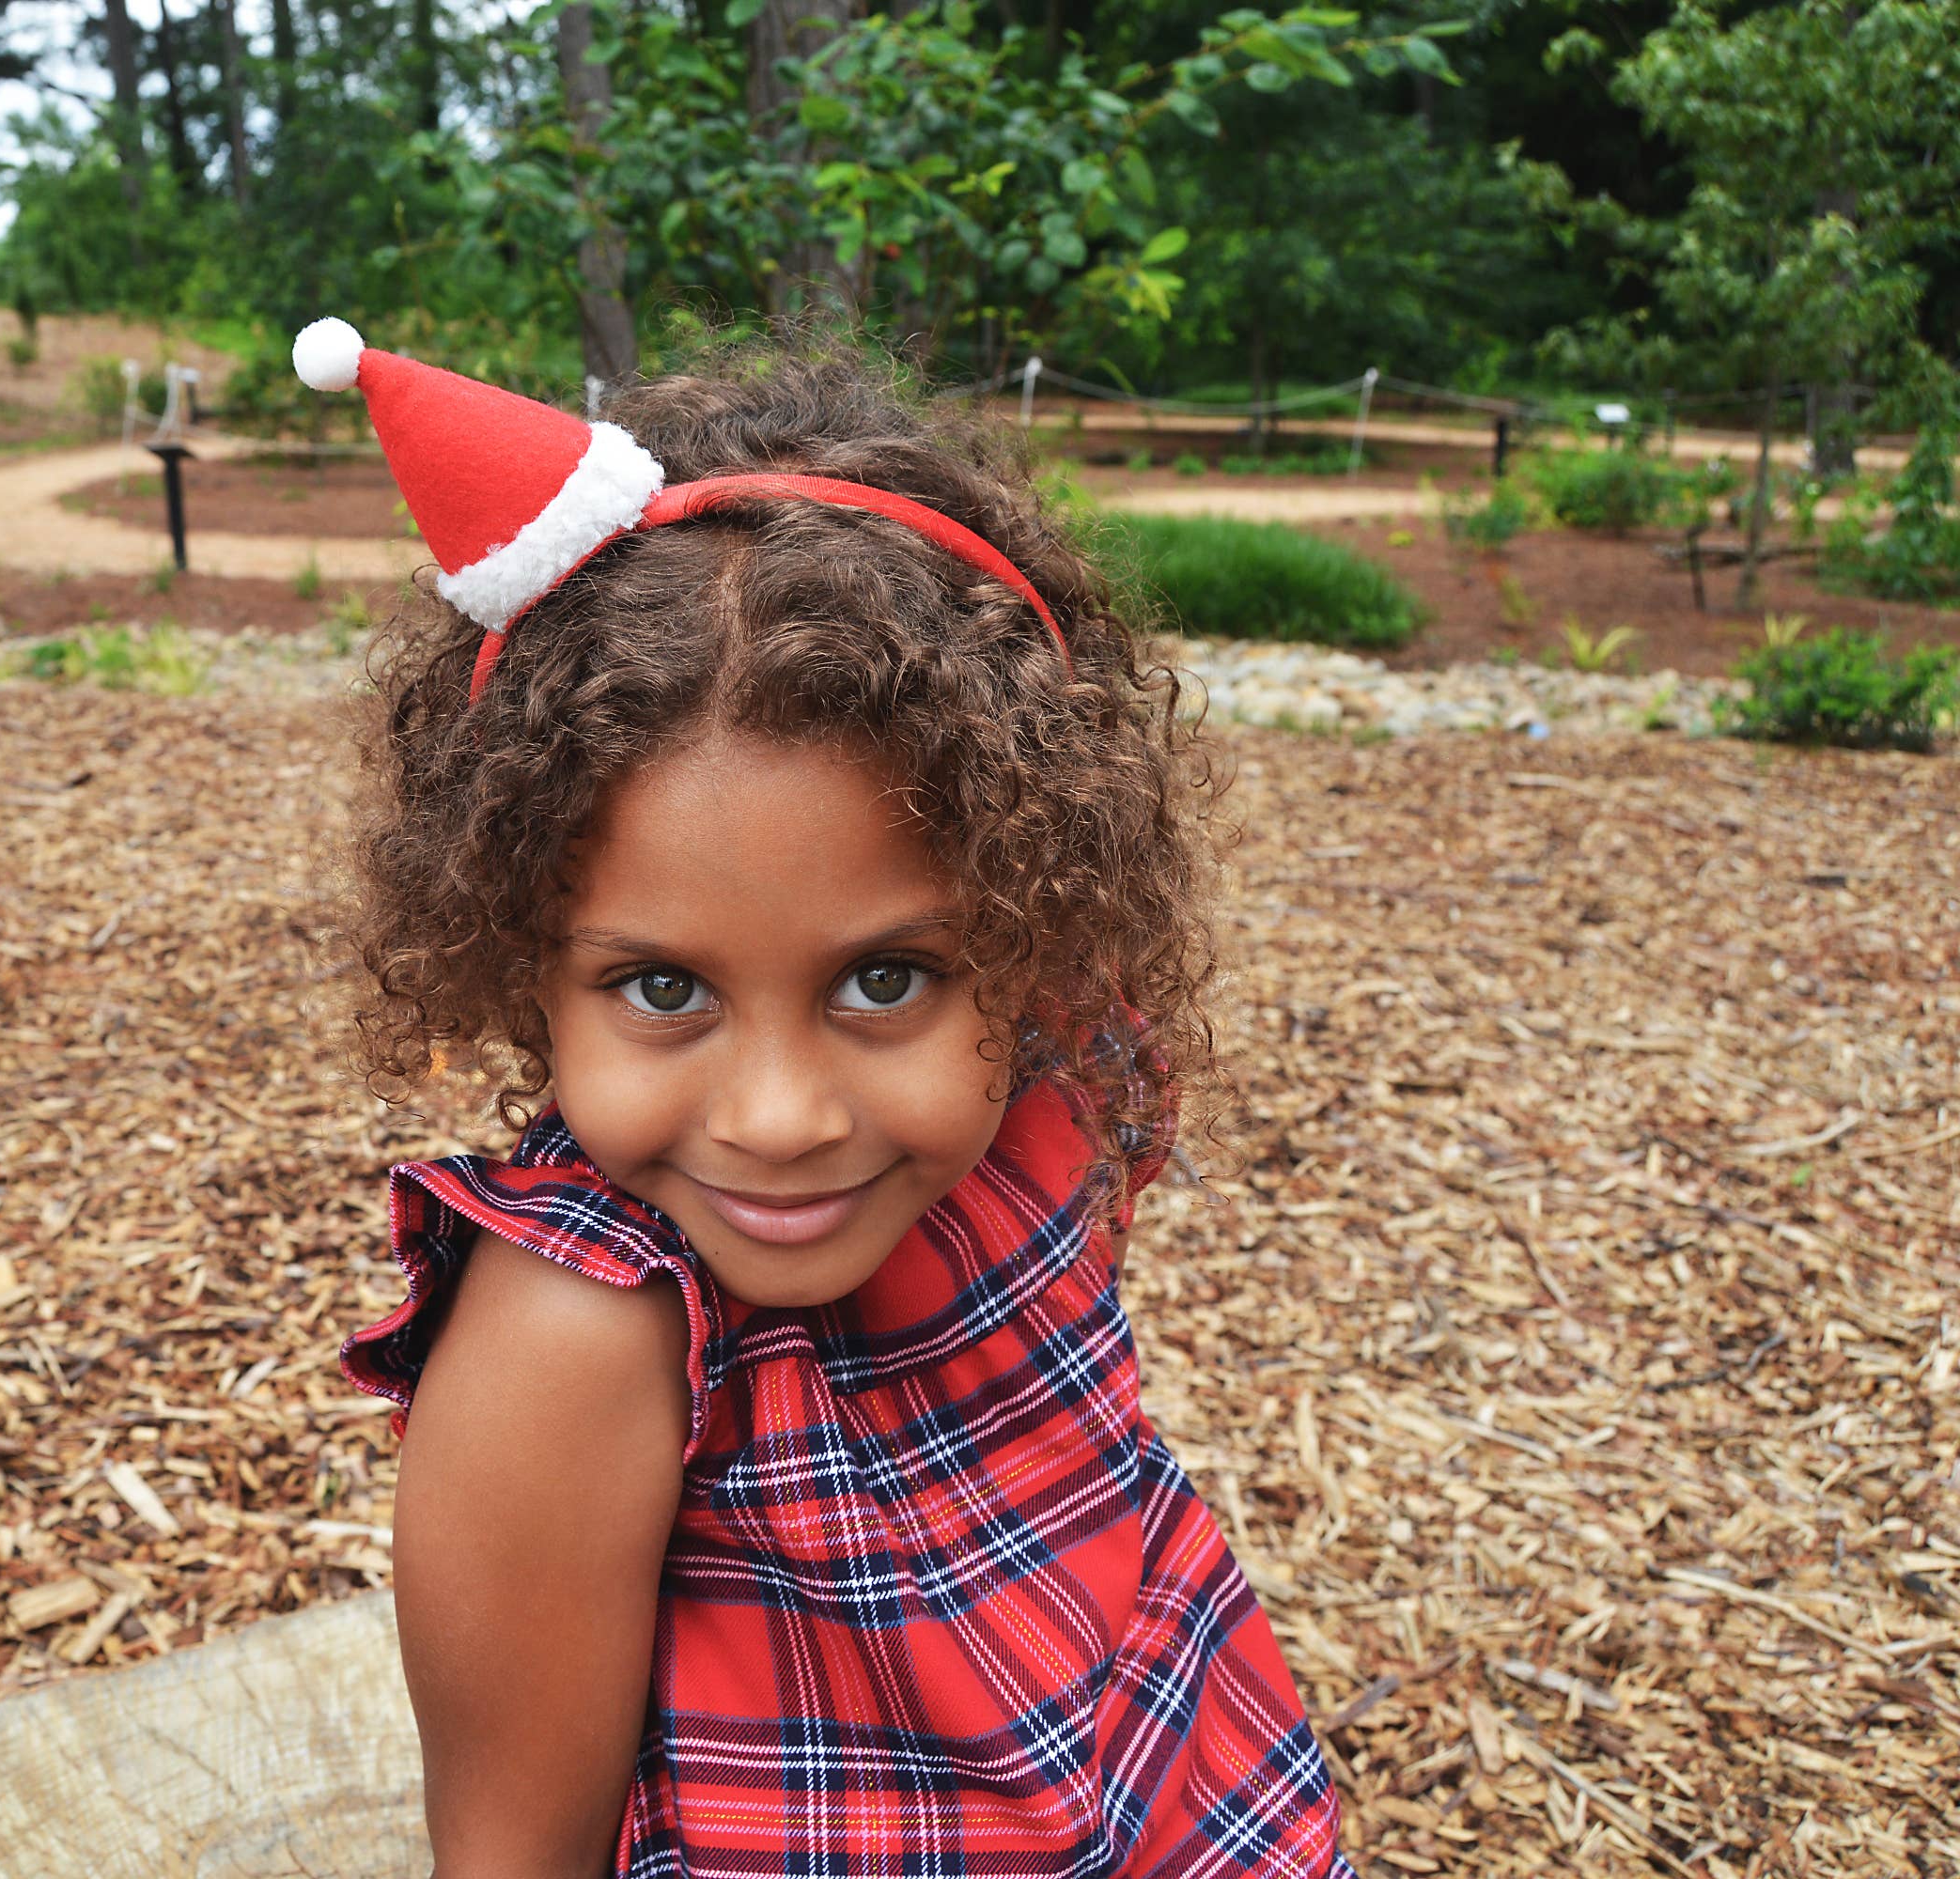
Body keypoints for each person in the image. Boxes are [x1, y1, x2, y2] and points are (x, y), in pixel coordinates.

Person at [294, 316, 1351, 1878]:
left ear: (1032, 924)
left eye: (884, 980)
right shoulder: (579, 1341)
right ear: (526, 962)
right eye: (663, 990)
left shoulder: (1046, 1102)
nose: (781, 1117)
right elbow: (515, 1857)